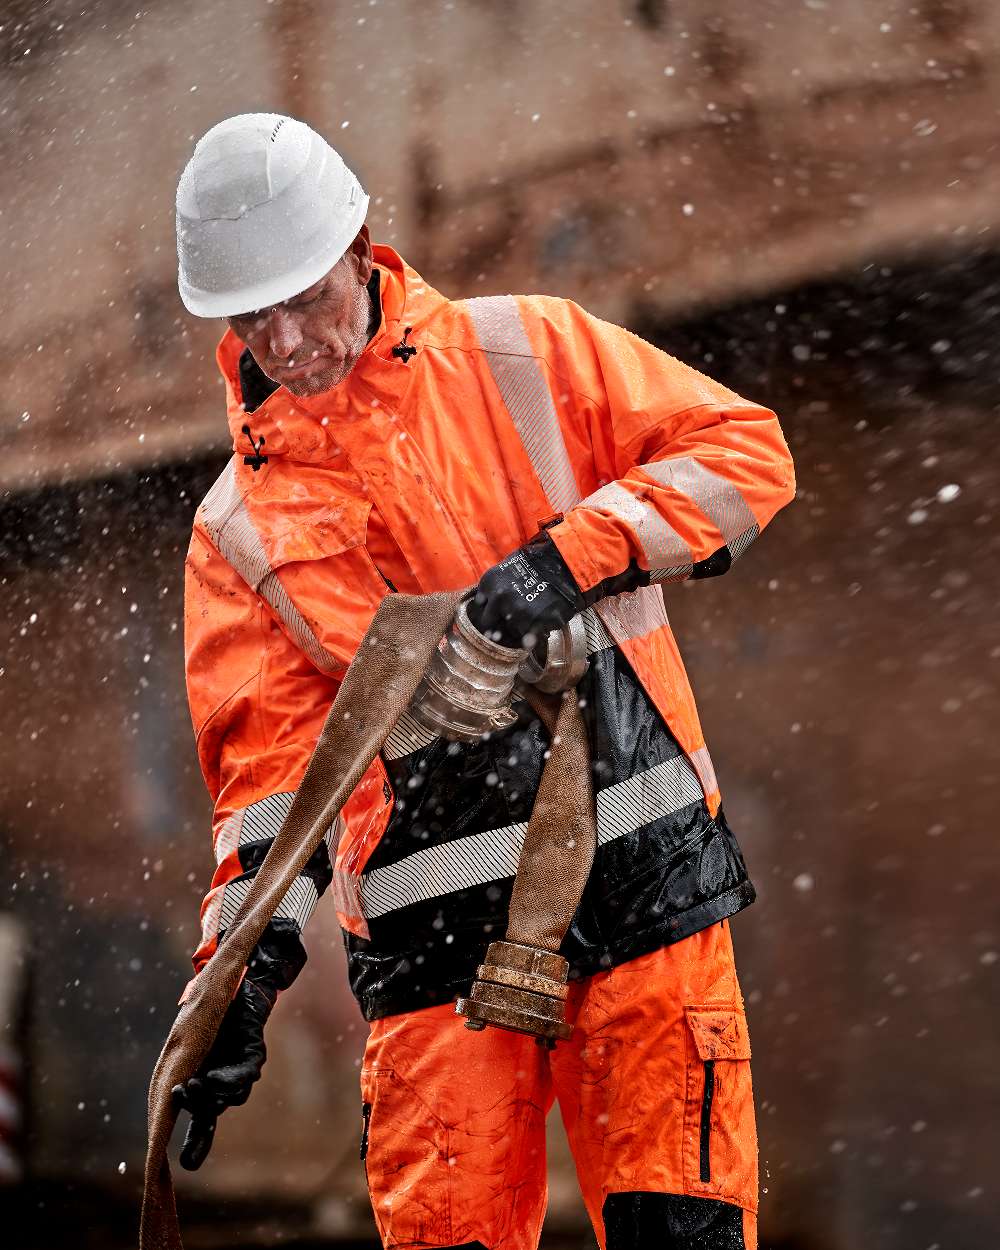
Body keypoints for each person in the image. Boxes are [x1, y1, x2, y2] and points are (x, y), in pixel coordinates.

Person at [171, 113, 794, 1250]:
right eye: (252, 318)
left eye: (305, 298)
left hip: (638, 896)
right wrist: (235, 984)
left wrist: (559, 565)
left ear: (359, 247)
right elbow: (270, 788)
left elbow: (743, 456)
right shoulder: (237, 529)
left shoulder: (525, 353)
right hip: (431, 950)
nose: (288, 341)